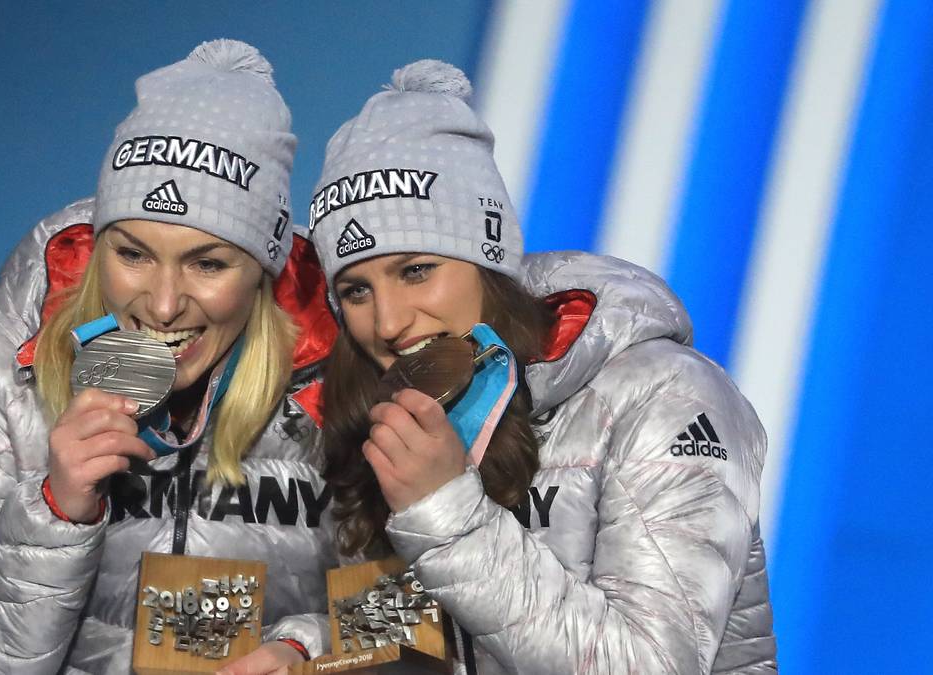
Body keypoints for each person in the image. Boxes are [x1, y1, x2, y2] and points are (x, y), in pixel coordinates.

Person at [310, 60, 778, 673]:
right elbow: (429, 625)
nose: (389, 321)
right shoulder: (395, 407)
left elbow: (652, 663)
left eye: (417, 270)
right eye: (356, 291)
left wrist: (446, 510)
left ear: (489, 264)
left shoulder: (666, 394)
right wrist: (304, 645)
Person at [0, 40, 340, 674]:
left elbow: (422, 611)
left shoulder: (346, 368)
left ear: (264, 269)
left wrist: (306, 647)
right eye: (133, 254)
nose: (162, 306)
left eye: (208, 263)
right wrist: (55, 510)